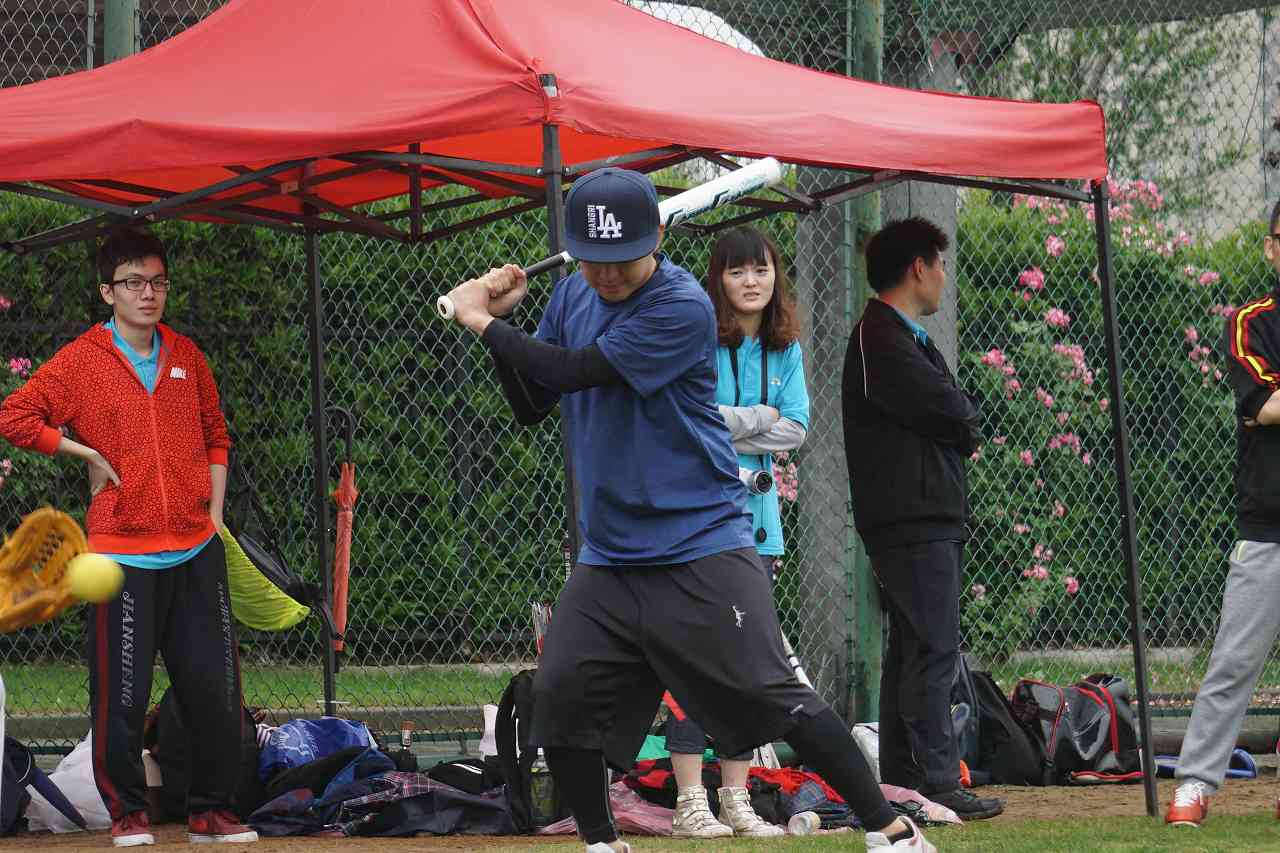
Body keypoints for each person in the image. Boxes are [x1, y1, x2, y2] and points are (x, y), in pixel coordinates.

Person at [443, 167, 935, 853]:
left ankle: (890, 829)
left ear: (657, 240)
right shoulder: (573, 294)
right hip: (612, 553)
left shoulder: (680, 307)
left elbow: (576, 370)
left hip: (701, 540)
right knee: (560, 700)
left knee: (776, 695)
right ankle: (601, 844)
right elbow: (534, 400)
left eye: (622, 260)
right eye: (593, 260)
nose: (606, 276)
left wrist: (481, 321)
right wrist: (500, 325)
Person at [0, 229, 257, 847]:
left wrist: (214, 514)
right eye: (134, 282)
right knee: (121, 697)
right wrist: (83, 451)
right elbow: (14, 416)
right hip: (121, 557)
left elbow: (216, 435)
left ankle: (211, 812)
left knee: (216, 688)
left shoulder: (187, 356)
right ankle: (129, 815)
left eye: (158, 281)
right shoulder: (81, 362)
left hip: (196, 551)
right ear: (106, 292)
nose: (149, 293)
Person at [841, 216, 1002, 821]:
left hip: (923, 515)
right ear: (919, 268)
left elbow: (954, 412)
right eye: (940, 264)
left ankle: (905, 779)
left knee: (913, 647)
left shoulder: (905, 338)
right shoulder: (881, 338)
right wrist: (961, 421)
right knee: (932, 646)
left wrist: (960, 419)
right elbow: (955, 411)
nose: (943, 276)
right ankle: (937, 779)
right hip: (910, 518)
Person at [661, 226, 806, 839]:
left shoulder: (785, 348)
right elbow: (686, 417)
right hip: (695, 526)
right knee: (694, 659)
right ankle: (689, 801)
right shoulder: (697, 339)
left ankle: (736, 799)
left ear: (776, 277)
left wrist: (733, 423)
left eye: (762, 270)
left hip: (758, 530)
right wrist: (758, 418)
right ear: (717, 280)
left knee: (746, 661)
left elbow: (796, 428)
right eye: (737, 270)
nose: (751, 281)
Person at [1165, 199, 1280, 828]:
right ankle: (1195, 783)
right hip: (1269, 527)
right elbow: (1261, 404)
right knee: (1234, 661)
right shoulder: (1251, 321)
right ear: (1271, 247)